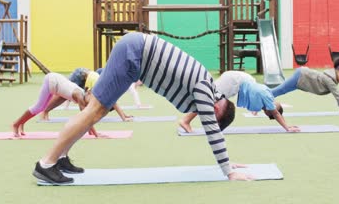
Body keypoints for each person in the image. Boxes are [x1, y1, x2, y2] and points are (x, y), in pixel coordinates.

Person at [32, 32, 253, 184]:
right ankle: (46, 163)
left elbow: (213, 130)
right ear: (216, 111)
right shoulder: (207, 92)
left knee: (96, 112)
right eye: (212, 116)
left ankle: (60, 159)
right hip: (134, 53)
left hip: (135, 55)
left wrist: (227, 163)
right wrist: (229, 171)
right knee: (94, 111)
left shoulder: (209, 89)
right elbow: (213, 134)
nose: (208, 117)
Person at [179, 71, 300, 133]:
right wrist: (287, 127)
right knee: (209, 98)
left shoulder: (265, 98)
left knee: (212, 100)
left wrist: (256, 110)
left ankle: (208, 124)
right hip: (235, 81)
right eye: (271, 110)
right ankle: (185, 121)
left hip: (236, 82)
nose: (270, 109)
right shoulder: (269, 100)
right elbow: (276, 113)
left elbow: (260, 102)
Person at [12, 72, 90, 137]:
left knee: (41, 108)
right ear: (88, 93)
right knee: (38, 107)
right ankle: (16, 124)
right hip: (52, 81)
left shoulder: (83, 95)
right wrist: (93, 132)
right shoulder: (80, 95)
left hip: (55, 84)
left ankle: (21, 123)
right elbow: (85, 116)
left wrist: (91, 131)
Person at [40, 69, 133, 122]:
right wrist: (123, 117)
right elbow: (114, 102)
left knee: (68, 96)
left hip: (86, 76)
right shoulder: (105, 92)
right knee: (63, 95)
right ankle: (45, 111)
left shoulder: (104, 92)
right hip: (80, 76)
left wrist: (124, 116)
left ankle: (46, 111)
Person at [271, 57, 339, 114]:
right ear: (336, 70)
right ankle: (260, 99)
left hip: (301, 78)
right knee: (279, 90)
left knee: (281, 91)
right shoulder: (329, 80)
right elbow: (338, 95)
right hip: (301, 76)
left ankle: (262, 98)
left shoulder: (331, 78)